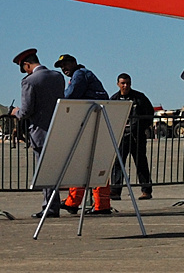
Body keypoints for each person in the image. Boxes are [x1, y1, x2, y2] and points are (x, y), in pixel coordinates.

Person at [11, 48, 65, 218]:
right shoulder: (58, 77)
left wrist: (15, 113)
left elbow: (27, 110)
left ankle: (49, 207)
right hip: (57, 130)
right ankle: (53, 205)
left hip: (40, 132)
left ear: (26, 65)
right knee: (54, 170)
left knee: (44, 171)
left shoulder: (29, 81)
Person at [55, 54, 111, 214]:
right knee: (91, 162)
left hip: (89, 123)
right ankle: (86, 203)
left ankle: (93, 204)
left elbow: (70, 96)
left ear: (74, 63)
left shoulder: (79, 75)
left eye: (65, 64)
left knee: (85, 161)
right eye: (61, 66)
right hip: (95, 121)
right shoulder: (86, 74)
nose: (64, 68)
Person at [110, 73, 154, 200]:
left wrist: (141, 127)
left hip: (137, 137)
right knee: (118, 163)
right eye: (123, 83)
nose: (125, 86)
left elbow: (149, 114)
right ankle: (115, 191)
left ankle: (146, 190)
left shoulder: (139, 98)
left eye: (128, 83)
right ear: (118, 84)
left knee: (141, 163)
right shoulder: (114, 99)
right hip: (121, 137)